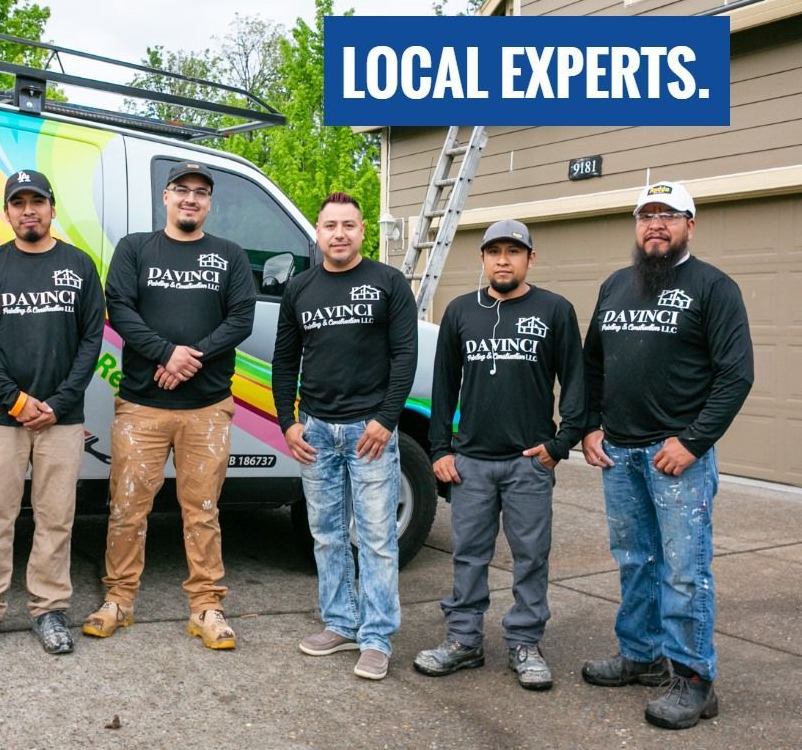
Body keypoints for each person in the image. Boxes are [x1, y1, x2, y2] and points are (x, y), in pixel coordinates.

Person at [581, 181, 754, 729]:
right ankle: (641, 656)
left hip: (676, 456)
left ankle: (696, 679)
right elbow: (592, 365)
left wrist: (693, 441)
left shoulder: (713, 287)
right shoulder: (614, 286)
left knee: (684, 571)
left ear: (690, 225)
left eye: (669, 215)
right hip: (621, 452)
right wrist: (589, 427)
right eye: (646, 215)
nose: (656, 224)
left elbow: (736, 374)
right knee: (635, 561)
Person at [83, 161, 255, 650]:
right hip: (142, 406)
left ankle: (206, 607)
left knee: (202, 509)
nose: (191, 199)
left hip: (208, 407)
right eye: (182, 190)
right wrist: (165, 353)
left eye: (201, 193)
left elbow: (241, 318)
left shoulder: (229, 255)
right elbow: (120, 308)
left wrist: (189, 359)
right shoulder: (136, 248)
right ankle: (119, 600)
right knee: (127, 508)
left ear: (209, 203)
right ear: (166, 196)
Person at [413, 219, 585, 690]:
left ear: (531, 257)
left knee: (531, 556)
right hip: (470, 462)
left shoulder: (554, 310)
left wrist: (560, 444)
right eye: (495, 252)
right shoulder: (460, 311)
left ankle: (525, 642)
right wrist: (440, 450)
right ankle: (463, 641)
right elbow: (443, 385)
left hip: (529, 461)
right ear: (483, 259)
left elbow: (576, 381)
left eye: (514, 251)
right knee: (469, 555)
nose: (503, 260)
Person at [0, 170, 103, 655]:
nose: (28, 210)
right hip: (0, 417)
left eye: (37, 201)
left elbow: (91, 341)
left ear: (52, 209)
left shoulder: (79, 265)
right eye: (19, 203)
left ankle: (49, 609)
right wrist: (14, 399)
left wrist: (56, 404)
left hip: (62, 417)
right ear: (8, 211)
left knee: (56, 517)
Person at [271, 192, 417, 681]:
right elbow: (285, 360)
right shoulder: (300, 288)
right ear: (317, 232)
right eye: (330, 225)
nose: (339, 233)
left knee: (376, 538)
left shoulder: (388, 283)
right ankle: (339, 623)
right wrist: (287, 422)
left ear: (362, 231)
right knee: (327, 534)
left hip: (368, 431)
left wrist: (386, 419)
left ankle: (376, 637)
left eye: (348, 225)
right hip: (315, 429)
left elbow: (404, 356)